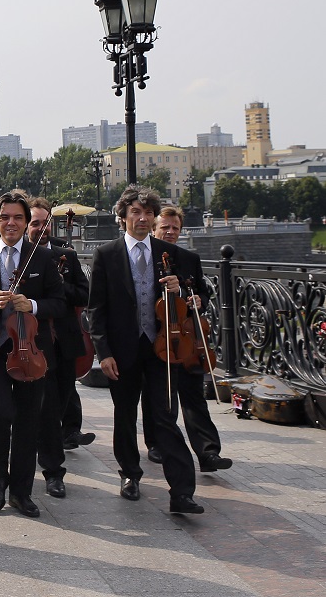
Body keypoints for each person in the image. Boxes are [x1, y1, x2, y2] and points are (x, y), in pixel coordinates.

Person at [87, 185, 205, 515]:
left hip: (162, 348)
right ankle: (129, 475)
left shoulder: (171, 255)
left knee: (166, 417)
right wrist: (103, 352)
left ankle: (181, 491)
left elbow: (198, 299)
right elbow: (95, 309)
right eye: (136, 212)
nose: (143, 218)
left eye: (148, 213)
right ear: (122, 216)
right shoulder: (106, 254)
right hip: (121, 350)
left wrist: (179, 289)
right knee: (124, 416)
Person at [0, 192, 65, 518]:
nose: (11, 223)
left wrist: (31, 305)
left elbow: (59, 304)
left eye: (18, 217)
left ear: (25, 222)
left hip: (31, 353)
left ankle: (21, 491)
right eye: (5, 217)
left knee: (27, 422)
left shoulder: (43, 258)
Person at [144, 206, 232, 473]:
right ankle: (157, 444)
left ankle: (208, 453)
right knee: (159, 398)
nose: (170, 232)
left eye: (175, 228)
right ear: (154, 229)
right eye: (165, 227)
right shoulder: (144, 257)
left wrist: (196, 299)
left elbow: (204, 294)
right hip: (156, 337)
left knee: (194, 396)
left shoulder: (189, 257)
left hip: (187, 337)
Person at [26, 198, 91, 499]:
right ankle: (53, 471)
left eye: (44, 222)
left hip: (65, 340)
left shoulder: (67, 255)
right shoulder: (22, 258)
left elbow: (83, 293)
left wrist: (58, 286)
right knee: (48, 409)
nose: (41, 228)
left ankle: (46, 445)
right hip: (36, 342)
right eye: (35, 223)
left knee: (61, 400)